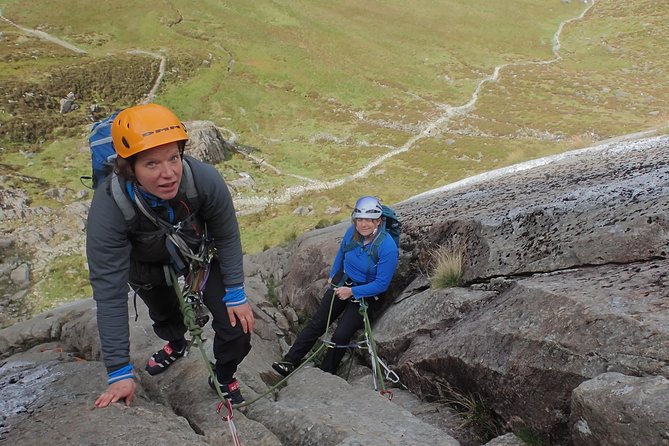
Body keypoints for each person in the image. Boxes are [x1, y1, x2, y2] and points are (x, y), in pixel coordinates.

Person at [87, 103, 254, 408]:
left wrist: (235, 290)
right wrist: (119, 372)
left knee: (237, 330)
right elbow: (108, 292)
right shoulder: (109, 206)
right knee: (166, 315)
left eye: (173, 158)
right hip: (146, 267)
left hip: (196, 258)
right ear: (129, 168)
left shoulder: (202, 179)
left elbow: (227, 235)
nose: (168, 174)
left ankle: (223, 374)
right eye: (151, 164)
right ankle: (176, 343)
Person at [272, 196, 399, 376]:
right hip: (343, 283)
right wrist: (333, 275)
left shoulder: (387, 247)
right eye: (360, 219)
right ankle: (289, 361)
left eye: (369, 220)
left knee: (341, 335)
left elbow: (381, 284)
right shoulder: (351, 233)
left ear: (378, 220)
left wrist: (352, 292)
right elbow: (342, 253)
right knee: (318, 322)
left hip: (367, 294)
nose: (363, 224)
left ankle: (326, 371)